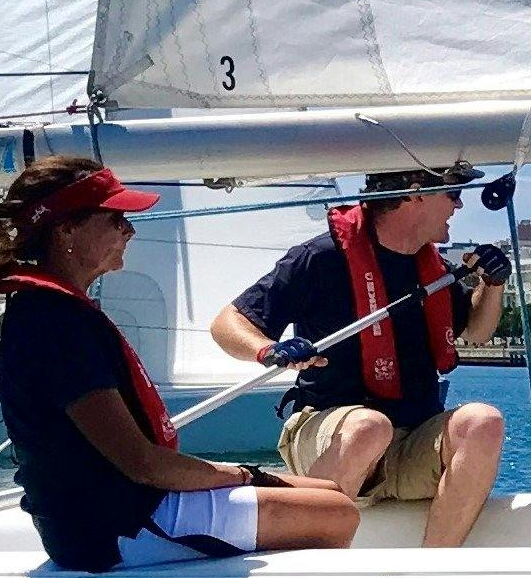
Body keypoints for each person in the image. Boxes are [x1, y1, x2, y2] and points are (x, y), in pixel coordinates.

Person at [0, 157, 358, 571]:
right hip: (113, 528)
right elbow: (144, 465)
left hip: (113, 515)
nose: (129, 230)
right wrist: (241, 475)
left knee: (332, 492)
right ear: (66, 231)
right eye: (115, 219)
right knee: (338, 513)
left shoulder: (48, 312)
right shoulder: (55, 323)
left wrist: (244, 477)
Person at [210, 167, 510, 549]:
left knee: (484, 423)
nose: (459, 204)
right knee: (369, 427)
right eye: (452, 195)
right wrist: (267, 350)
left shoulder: (434, 270)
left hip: (410, 442)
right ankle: (301, 568)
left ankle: (432, 574)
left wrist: (492, 285)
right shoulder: (320, 258)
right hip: (332, 432)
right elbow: (227, 322)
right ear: (417, 194)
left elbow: (476, 332)